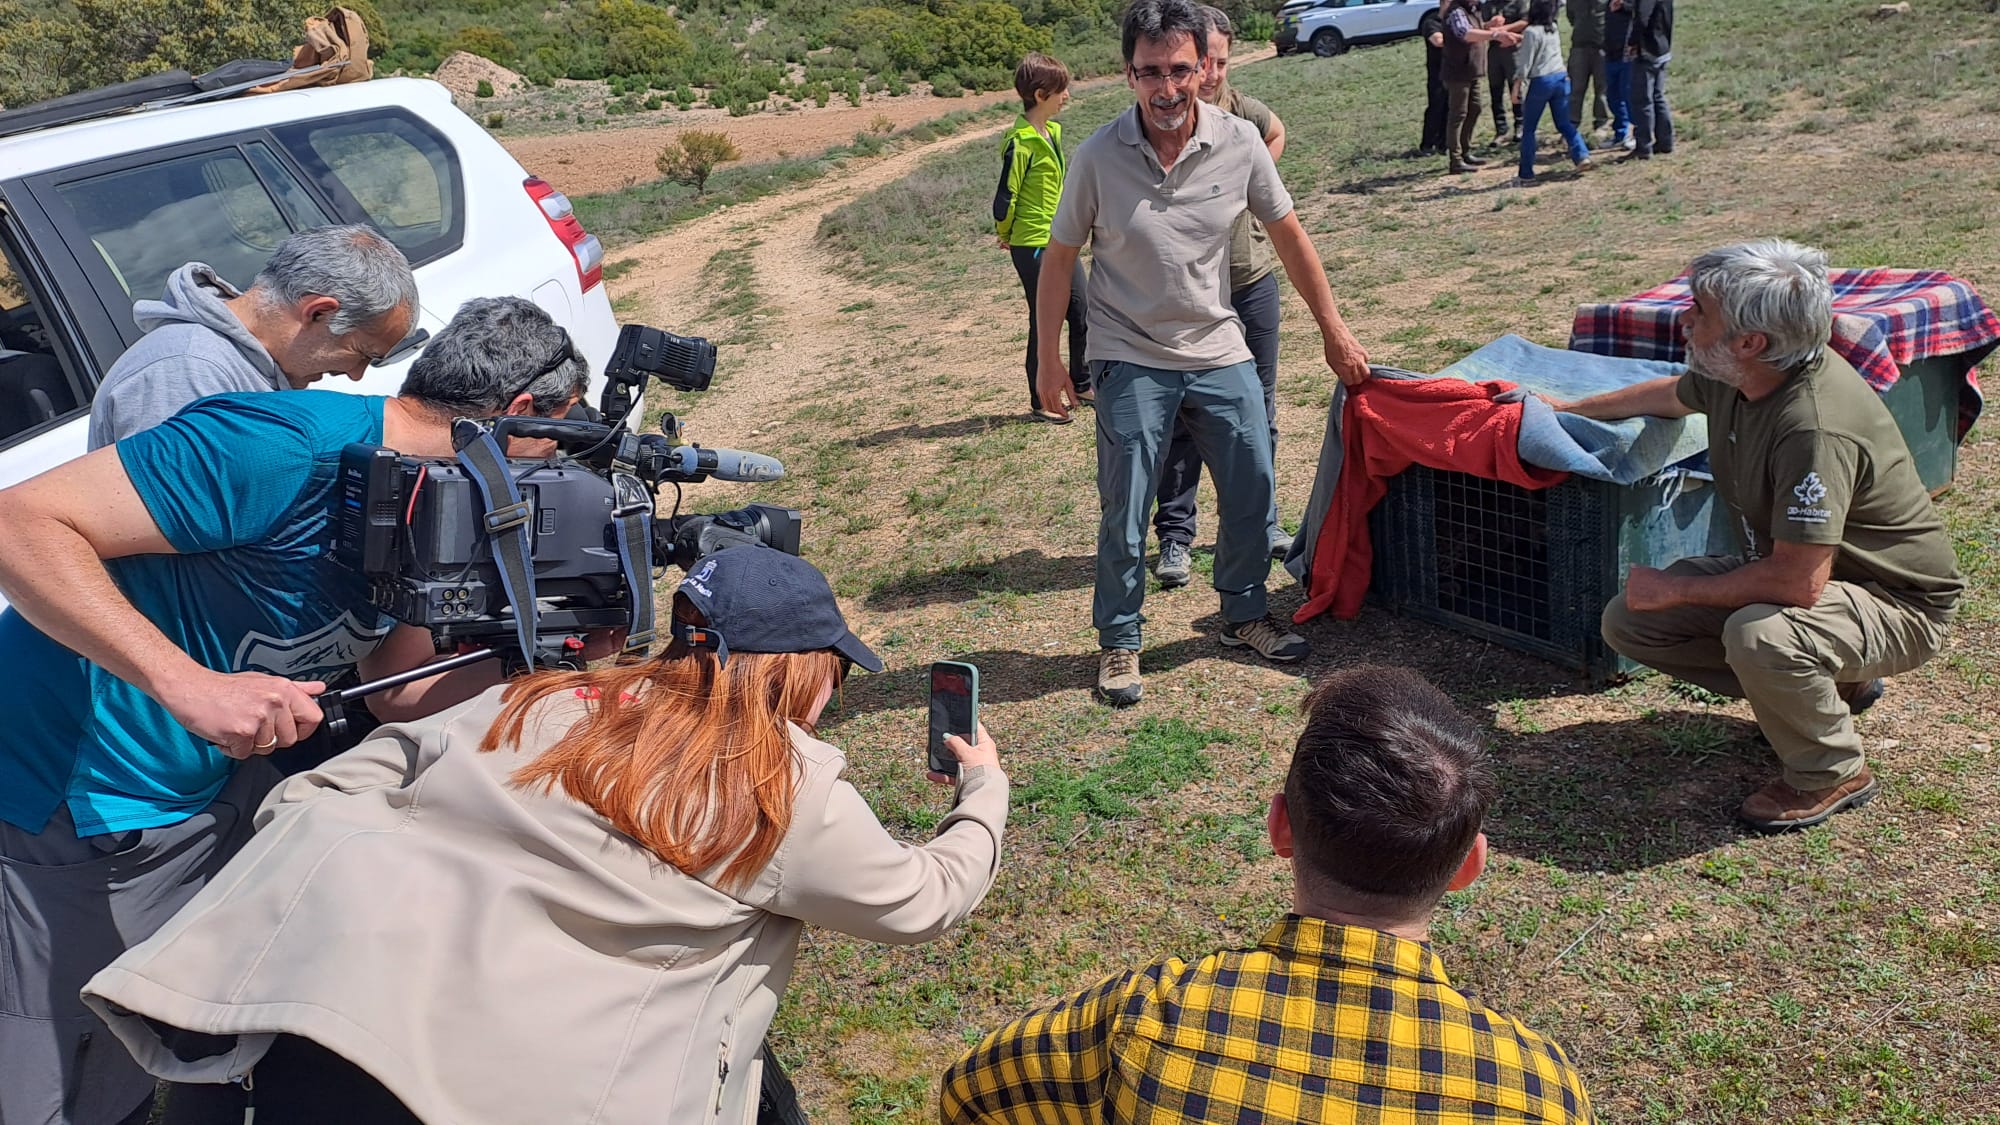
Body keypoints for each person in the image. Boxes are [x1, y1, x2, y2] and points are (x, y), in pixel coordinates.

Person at [81, 548, 1010, 1124]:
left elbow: (354, 770)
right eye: (831, 676)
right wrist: (984, 792)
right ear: (800, 671)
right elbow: (922, 898)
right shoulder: (779, 783)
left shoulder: (550, 698)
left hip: (332, 1035)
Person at [0, 296, 595, 1125]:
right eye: (559, 446)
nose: (553, 477)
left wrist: (550, 658)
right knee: (53, 1072)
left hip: (200, 796)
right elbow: (18, 522)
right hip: (74, 793)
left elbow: (396, 688)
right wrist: (189, 683)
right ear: (523, 413)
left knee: (158, 1040)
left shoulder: (433, 496)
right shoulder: (278, 445)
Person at [939, 664, 1596, 1122]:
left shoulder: (1143, 1019)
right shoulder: (1541, 1092)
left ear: (1280, 826)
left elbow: (967, 1094)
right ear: (1468, 865)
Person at [1540, 241, 1962, 830]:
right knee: (1630, 621)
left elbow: (1796, 582)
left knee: (1760, 634)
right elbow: (1671, 394)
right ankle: (1837, 685)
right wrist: (1567, 406)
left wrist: (1678, 589)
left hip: (1900, 603)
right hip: (1835, 582)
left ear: (1750, 341)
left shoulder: (1813, 428)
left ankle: (1829, 771)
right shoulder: (1742, 374)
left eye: (1700, 312)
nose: (1685, 319)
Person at [1032, 0, 1372, 706]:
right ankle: (1121, 641)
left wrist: (1334, 328)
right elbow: (1060, 259)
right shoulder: (1097, 156)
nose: (1167, 88)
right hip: (1129, 351)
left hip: (1218, 343)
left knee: (1253, 479)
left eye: (1180, 69)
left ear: (1205, 69)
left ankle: (1243, 615)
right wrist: (1048, 359)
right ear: (1128, 74)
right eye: (1150, 71)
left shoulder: (1239, 142)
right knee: (1126, 503)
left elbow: (1290, 238)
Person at [1151, 5, 1292, 590]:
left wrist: (1254, 183)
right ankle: (1176, 537)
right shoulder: (1162, 118)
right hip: (1191, 296)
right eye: (1203, 62)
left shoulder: (1240, 112)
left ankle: (1263, 522)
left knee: (1259, 411)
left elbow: (1276, 131)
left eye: (1220, 62)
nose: (1211, 74)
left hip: (1250, 281)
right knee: (1181, 421)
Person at [88, 224, 418, 448]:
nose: (356, 375)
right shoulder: (187, 373)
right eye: (361, 352)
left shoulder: (245, 365)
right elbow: (177, 526)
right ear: (318, 312)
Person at [995, 51, 1091, 424]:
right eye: (1061, 89)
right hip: (1031, 242)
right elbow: (1005, 198)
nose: (1066, 95)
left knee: (1082, 311)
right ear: (1040, 94)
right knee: (1045, 319)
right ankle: (1041, 399)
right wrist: (1006, 235)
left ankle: (1082, 382)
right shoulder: (1019, 141)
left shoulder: (1052, 132)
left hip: (1060, 239)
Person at [1515, 0, 1598, 182]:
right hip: (1560, 77)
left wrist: (1517, 85)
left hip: (1541, 81)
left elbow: (1525, 65)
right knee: (1565, 123)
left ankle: (1526, 172)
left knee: (1529, 128)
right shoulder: (1552, 27)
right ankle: (1582, 155)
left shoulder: (1530, 32)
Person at [1441, 0, 1521, 174]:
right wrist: (1494, 35)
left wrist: (1488, 26)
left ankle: (1465, 151)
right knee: (1458, 114)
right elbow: (1465, 33)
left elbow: (1475, 29)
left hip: (1472, 71)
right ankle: (1455, 160)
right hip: (1459, 72)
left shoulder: (1472, 9)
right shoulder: (1456, 11)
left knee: (1474, 109)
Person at [1623, 0, 1673, 159]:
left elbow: (1642, 17)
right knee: (1658, 96)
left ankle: (1643, 147)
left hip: (1648, 49)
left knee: (1642, 100)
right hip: (1662, 46)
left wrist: (1632, 41)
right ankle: (1665, 142)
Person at [1481, 0, 1529, 144]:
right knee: (1495, 90)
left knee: (1516, 88)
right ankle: (1501, 129)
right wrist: (1490, 25)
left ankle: (1520, 125)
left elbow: (1525, 21)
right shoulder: (1489, 5)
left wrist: (1504, 29)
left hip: (1514, 49)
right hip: (1495, 50)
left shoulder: (1519, 2)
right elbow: (1478, 26)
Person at [1564, 0, 1610, 138]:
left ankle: (1601, 123)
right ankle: (1572, 124)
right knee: (1575, 88)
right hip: (1579, 45)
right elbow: (1571, 16)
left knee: (1602, 89)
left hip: (1602, 45)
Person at [1603, 0, 1636, 151]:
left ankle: (1637, 134)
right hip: (1610, 54)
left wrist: (1623, 5)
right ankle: (1620, 133)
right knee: (1612, 97)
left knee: (1628, 96)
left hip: (1626, 55)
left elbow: (1640, 12)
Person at [1419, 4, 1450, 156]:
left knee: (1451, 108)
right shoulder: (1431, 22)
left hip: (1454, 72)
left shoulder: (1456, 21)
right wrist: (1463, 35)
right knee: (1436, 107)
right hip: (1438, 73)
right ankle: (1427, 144)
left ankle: (1443, 144)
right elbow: (1438, 40)